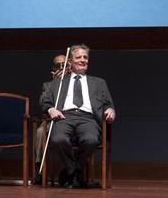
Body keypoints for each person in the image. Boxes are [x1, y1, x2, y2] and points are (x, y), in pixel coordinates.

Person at [41, 44, 115, 188]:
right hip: (64, 116)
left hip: (88, 118)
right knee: (57, 139)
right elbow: (46, 103)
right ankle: (75, 171)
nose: (83, 60)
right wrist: (51, 110)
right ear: (70, 62)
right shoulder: (59, 82)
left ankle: (71, 171)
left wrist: (111, 110)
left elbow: (108, 104)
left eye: (85, 57)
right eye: (78, 57)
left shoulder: (99, 82)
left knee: (91, 140)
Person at [32, 53, 67, 184]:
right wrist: (55, 84)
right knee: (41, 132)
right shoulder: (48, 85)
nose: (62, 68)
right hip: (53, 121)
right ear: (54, 70)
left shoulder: (75, 82)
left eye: (65, 65)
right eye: (59, 66)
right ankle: (39, 169)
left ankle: (72, 170)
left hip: (72, 121)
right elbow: (43, 104)